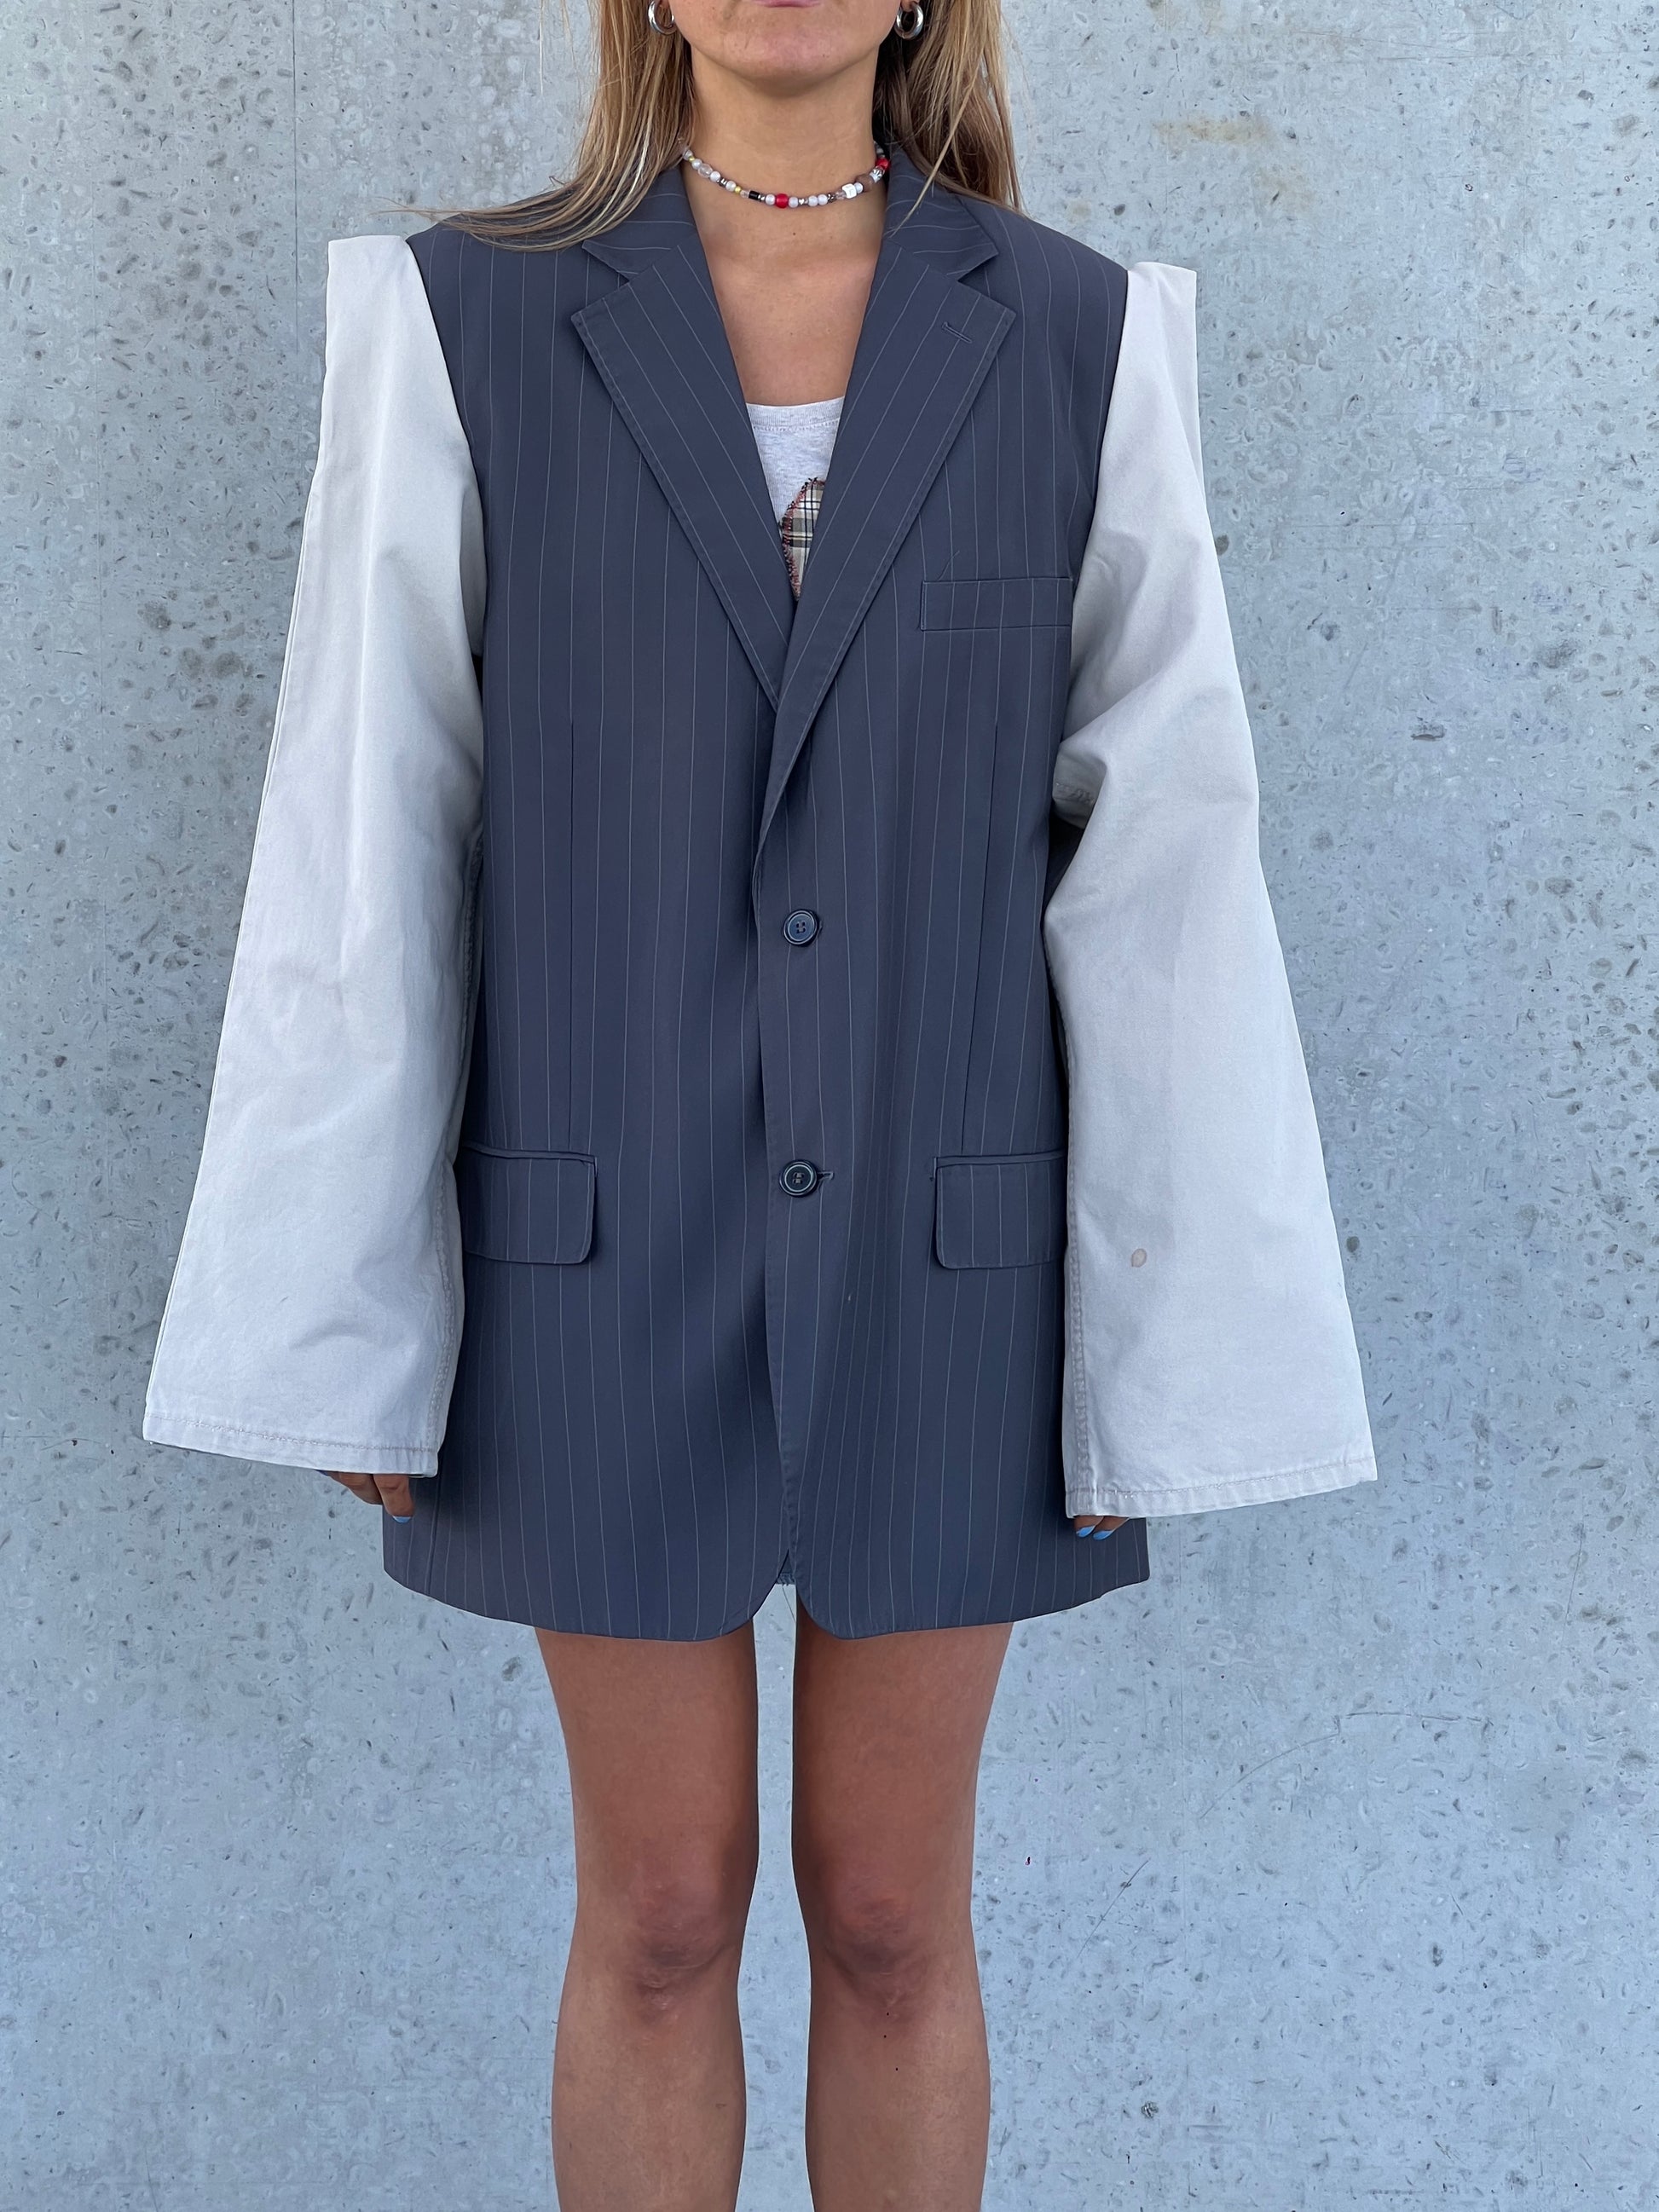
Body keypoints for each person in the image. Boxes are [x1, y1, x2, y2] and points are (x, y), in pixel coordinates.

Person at [140, 0, 1377, 2200]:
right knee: (661, 1908)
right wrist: (342, 1310)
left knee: (890, 1918)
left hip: (950, 1262)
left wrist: (1161, 1357)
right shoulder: (462, 321)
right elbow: (370, 828)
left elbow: (1167, 872)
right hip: (593, 1254)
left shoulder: (1080, 338)